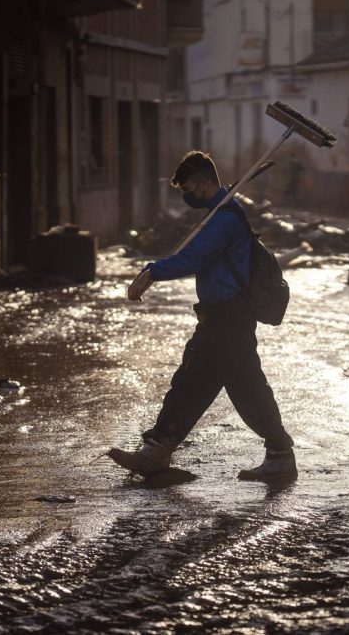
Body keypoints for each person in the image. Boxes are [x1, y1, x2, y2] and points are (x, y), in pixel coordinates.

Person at [108, 151, 297, 482]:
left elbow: (194, 258)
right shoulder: (216, 214)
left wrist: (152, 272)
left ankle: (280, 455)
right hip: (217, 317)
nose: (187, 195)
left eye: (190, 188)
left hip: (230, 318)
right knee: (189, 383)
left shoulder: (224, 219)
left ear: (205, 182)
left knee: (248, 388)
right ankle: (157, 450)